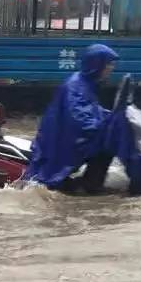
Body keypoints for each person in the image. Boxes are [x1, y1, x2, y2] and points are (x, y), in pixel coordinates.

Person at [25, 43, 118, 194]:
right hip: (60, 141)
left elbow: (93, 109)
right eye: (108, 64)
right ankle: (91, 186)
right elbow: (79, 118)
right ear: (97, 65)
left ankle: (90, 184)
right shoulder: (76, 86)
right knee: (107, 145)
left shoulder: (86, 83)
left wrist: (112, 116)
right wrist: (104, 126)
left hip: (66, 137)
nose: (111, 68)